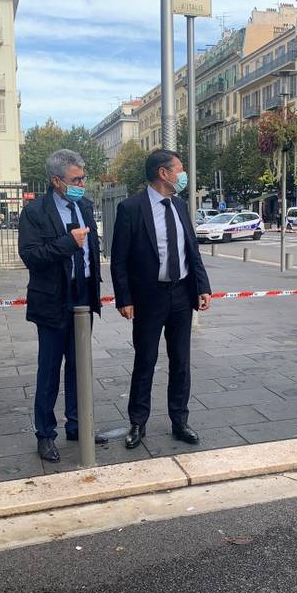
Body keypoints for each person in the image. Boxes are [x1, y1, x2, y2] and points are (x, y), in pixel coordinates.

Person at [110, 149, 212, 449]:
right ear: (163, 173)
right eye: (179, 169)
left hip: (181, 294)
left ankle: (179, 420)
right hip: (149, 297)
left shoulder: (180, 206)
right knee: (146, 361)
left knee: (181, 361)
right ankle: (137, 422)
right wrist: (123, 298)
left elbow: (192, 249)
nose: (183, 175)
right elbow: (119, 259)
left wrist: (202, 287)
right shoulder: (131, 208)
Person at [18, 149, 106, 462]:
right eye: (76, 179)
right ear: (56, 181)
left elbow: (92, 252)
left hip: (83, 294)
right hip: (53, 299)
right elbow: (31, 255)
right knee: (50, 369)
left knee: (80, 365)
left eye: (83, 177)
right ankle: (45, 433)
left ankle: (78, 425)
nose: (83, 182)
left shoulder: (84, 205)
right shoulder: (35, 211)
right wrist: (69, 243)